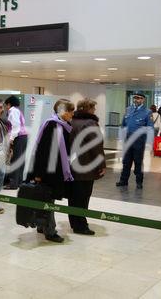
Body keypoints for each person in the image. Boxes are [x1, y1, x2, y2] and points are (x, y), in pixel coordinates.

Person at [28, 99, 75, 243]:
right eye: (71, 111)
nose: (73, 114)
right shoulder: (52, 125)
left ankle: (42, 226)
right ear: (63, 112)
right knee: (48, 200)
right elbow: (43, 152)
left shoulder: (63, 125)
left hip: (55, 170)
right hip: (47, 172)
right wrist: (38, 174)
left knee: (47, 199)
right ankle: (50, 230)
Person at [69, 98, 106, 235]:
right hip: (86, 165)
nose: (95, 110)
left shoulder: (71, 121)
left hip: (72, 165)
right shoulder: (91, 123)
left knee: (74, 196)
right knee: (84, 196)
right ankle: (81, 225)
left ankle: (74, 222)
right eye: (93, 108)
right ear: (88, 109)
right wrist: (101, 164)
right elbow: (96, 146)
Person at [116, 93, 153, 190]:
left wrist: (149, 143)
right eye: (135, 98)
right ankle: (123, 181)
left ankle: (139, 182)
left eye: (139, 98)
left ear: (143, 100)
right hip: (127, 141)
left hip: (139, 141)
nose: (137, 100)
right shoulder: (128, 109)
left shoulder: (147, 112)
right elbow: (123, 125)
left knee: (138, 162)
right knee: (126, 162)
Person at [4, 95, 28, 190]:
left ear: (9, 104)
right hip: (23, 137)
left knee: (15, 160)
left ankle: (13, 183)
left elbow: (15, 126)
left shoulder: (13, 111)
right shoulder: (18, 111)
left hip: (18, 137)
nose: (5, 107)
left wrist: (11, 139)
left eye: (6, 105)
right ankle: (18, 182)